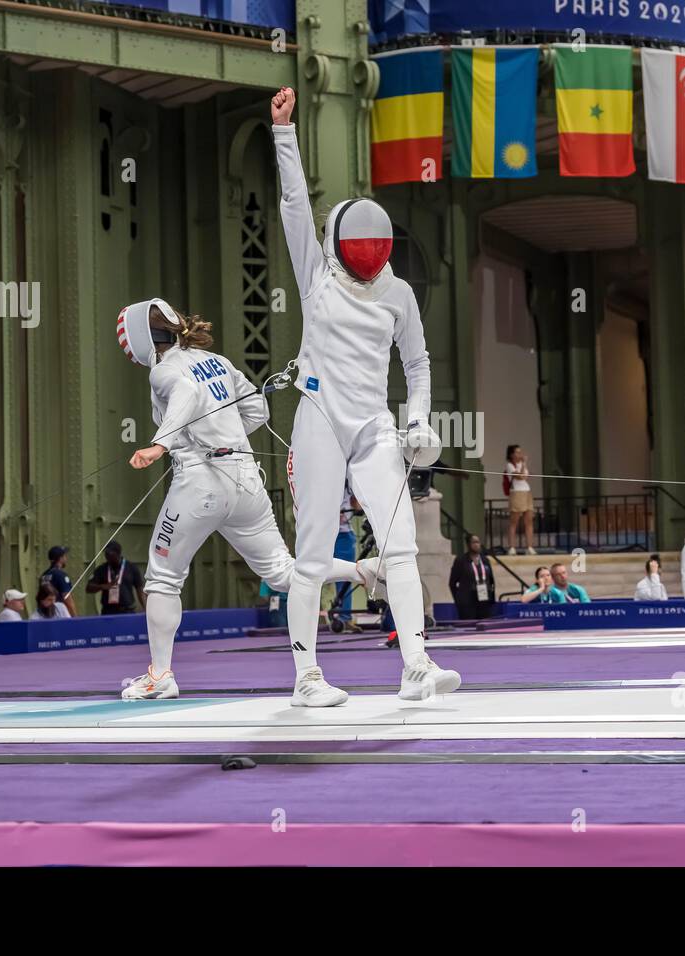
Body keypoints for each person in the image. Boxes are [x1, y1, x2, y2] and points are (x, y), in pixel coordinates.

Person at [272, 86, 460, 701]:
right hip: (320, 416)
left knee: (400, 542)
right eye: (360, 252)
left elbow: (418, 361)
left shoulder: (398, 292)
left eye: (377, 254)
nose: (368, 261)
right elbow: (295, 206)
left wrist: (421, 422)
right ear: (340, 248)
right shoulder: (316, 278)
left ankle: (416, 667)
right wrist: (284, 134)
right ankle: (305, 677)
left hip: (376, 426)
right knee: (312, 551)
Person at [116, 298, 376, 704]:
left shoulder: (165, 372)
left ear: (142, 339)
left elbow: (184, 393)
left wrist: (160, 445)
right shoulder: (217, 360)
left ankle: (160, 676)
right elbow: (256, 409)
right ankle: (363, 571)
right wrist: (228, 436)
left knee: (163, 577)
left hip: (200, 484)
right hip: (246, 481)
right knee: (283, 570)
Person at [86, 541, 147, 616]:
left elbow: (139, 589)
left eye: (109, 553)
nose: (106, 555)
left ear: (117, 553)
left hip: (127, 612)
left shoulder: (131, 568)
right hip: (108, 612)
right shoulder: (102, 569)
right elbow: (89, 588)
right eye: (105, 553)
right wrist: (103, 586)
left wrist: (146, 608)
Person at [331, 485, 361, 633]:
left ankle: (345, 617)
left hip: (343, 534)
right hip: (325, 532)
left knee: (345, 577)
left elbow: (356, 502)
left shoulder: (349, 478)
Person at [448, 534, 496, 620]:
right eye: (474, 542)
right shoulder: (461, 560)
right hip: (467, 602)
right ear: (468, 544)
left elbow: (491, 580)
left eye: (478, 542)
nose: (477, 544)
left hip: (484, 600)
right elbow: (452, 583)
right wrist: (459, 600)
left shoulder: (485, 560)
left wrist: (491, 597)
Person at [504, 444, 536, 555]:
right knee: (514, 521)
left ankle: (530, 546)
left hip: (526, 492)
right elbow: (520, 476)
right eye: (517, 452)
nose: (520, 454)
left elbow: (526, 477)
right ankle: (512, 547)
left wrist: (523, 465)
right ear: (511, 454)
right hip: (517, 493)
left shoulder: (521, 464)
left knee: (529, 520)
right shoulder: (509, 465)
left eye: (520, 452)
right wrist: (523, 465)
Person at [39, 545, 77, 616]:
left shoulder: (44, 575)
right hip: (59, 614)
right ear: (60, 558)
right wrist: (75, 618)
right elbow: (67, 598)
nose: (66, 558)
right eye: (65, 556)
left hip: (45, 614)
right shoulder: (60, 575)